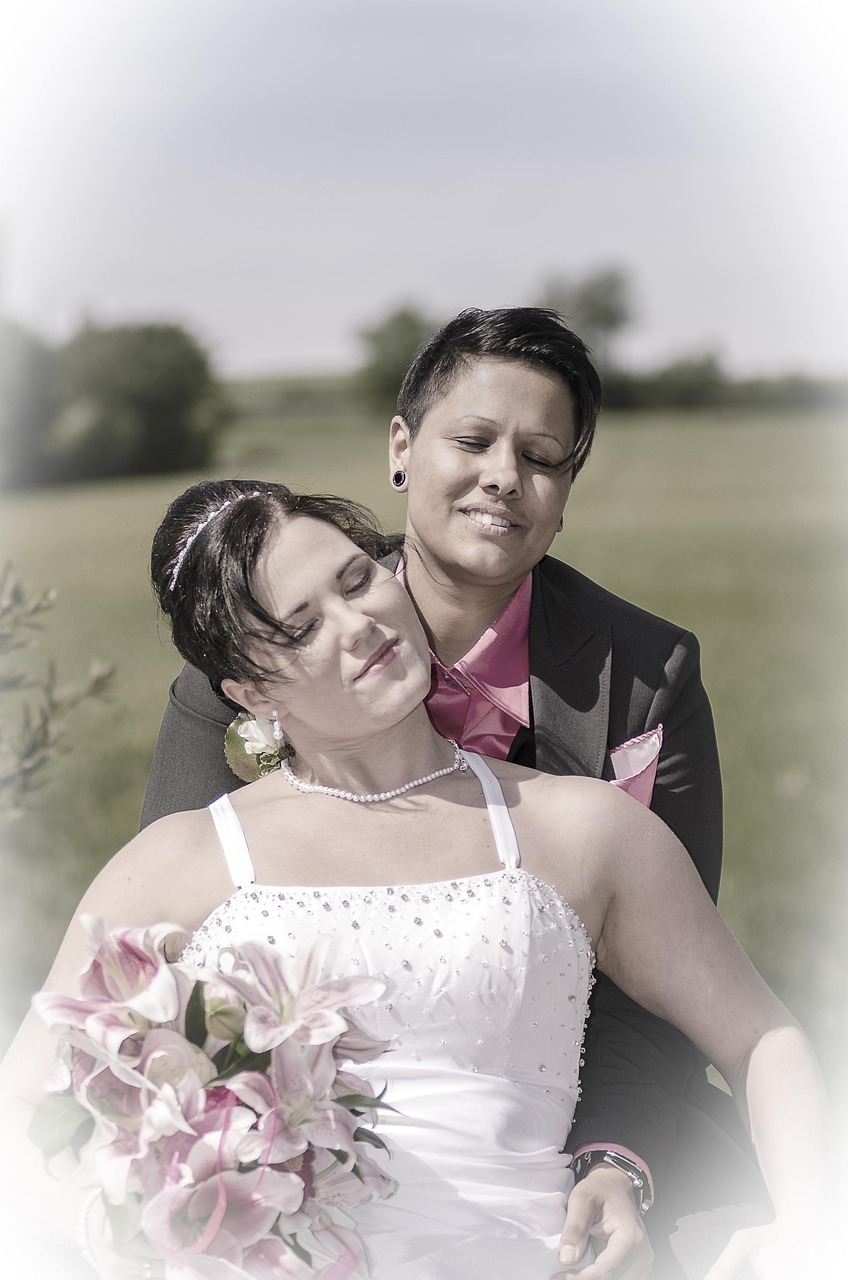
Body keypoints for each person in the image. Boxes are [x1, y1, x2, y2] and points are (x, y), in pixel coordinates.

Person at [0, 480, 828, 1280]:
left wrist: (807, 1230)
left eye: (357, 580)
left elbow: (762, 1038)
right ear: (248, 693)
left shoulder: (578, 828)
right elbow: (23, 1115)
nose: (358, 624)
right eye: (302, 627)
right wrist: (138, 1233)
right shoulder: (175, 864)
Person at [141, 309, 746, 1277]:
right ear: (400, 447)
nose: (504, 476)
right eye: (472, 441)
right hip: (294, 1156)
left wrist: (614, 1158)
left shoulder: (647, 674)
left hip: (561, 1125)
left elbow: (664, 981)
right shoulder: (257, 651)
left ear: (565, 492)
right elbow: (170, 953)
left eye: (541, 457)